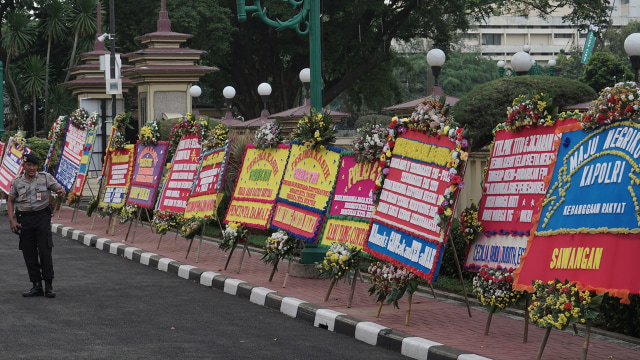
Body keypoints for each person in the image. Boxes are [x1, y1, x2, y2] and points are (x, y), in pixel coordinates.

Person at [7, 153, 66, 298]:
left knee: (45, 251)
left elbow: (59, 188)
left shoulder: (45, 177)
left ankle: (49, 286)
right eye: (29, 165)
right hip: (26, 220)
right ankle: (36, 285)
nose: (32, 168)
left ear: (37, 166)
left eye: (34, 165)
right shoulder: (17, 182)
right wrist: (11, 221)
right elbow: (10, 201)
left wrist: (61, 191)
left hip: (42, 218)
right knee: (29, 253)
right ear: (24, 166)